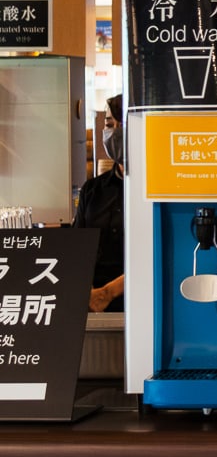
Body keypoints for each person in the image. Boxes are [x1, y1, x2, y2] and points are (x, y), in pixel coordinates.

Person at [73, 94, 126, 312]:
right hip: (92, 303)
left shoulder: (158, 191)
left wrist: (109, 292)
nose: (114, 132)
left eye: (122, 125)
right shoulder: (93, 190)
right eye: (109, 124)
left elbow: (159, 256)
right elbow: (77, 249)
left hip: (140, 300)